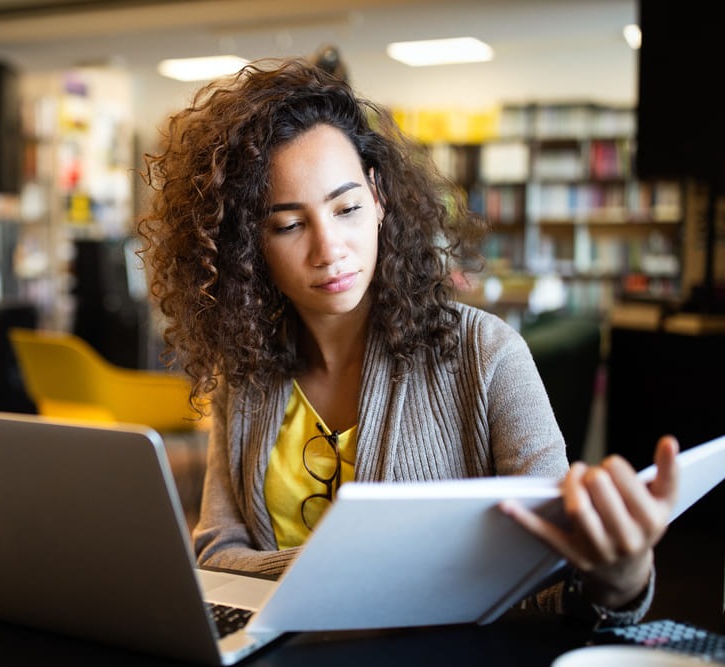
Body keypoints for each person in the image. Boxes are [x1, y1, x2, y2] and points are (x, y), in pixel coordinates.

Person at [135, 57, 679, 626]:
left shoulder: (488, 355)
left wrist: (620, 580)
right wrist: (408, 570)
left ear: (378, 199)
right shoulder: (244, 374)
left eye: (346, 208)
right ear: (249, 242)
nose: (330, 249)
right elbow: (217, 557)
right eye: (289, 225)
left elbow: (549, 577)